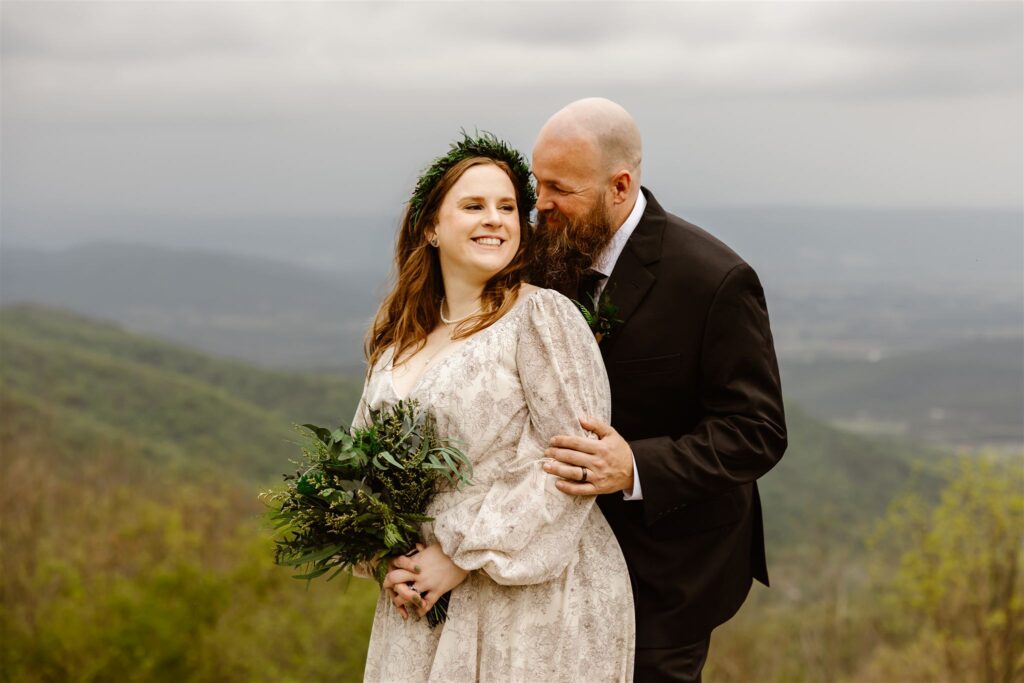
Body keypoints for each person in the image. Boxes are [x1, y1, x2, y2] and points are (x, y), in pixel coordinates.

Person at [352, 132, 635, 683]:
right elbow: (363, 465)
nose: (496, 219)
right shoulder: (397, 342)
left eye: (507, 207)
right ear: (431, 227)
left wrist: (459, 555)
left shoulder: (541, 318)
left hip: (531, 604)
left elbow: (575, 464)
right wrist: (389, 556)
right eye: (474, 206)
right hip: (421, 599)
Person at [533, 98, 788, 683]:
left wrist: (634, 466)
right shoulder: (546, 253)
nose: (540, 203)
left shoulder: (715, 280)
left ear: (619, 186)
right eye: (536, 182)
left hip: (670, 572)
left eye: (559, 188)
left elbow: (757, 432)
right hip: (554, 564)